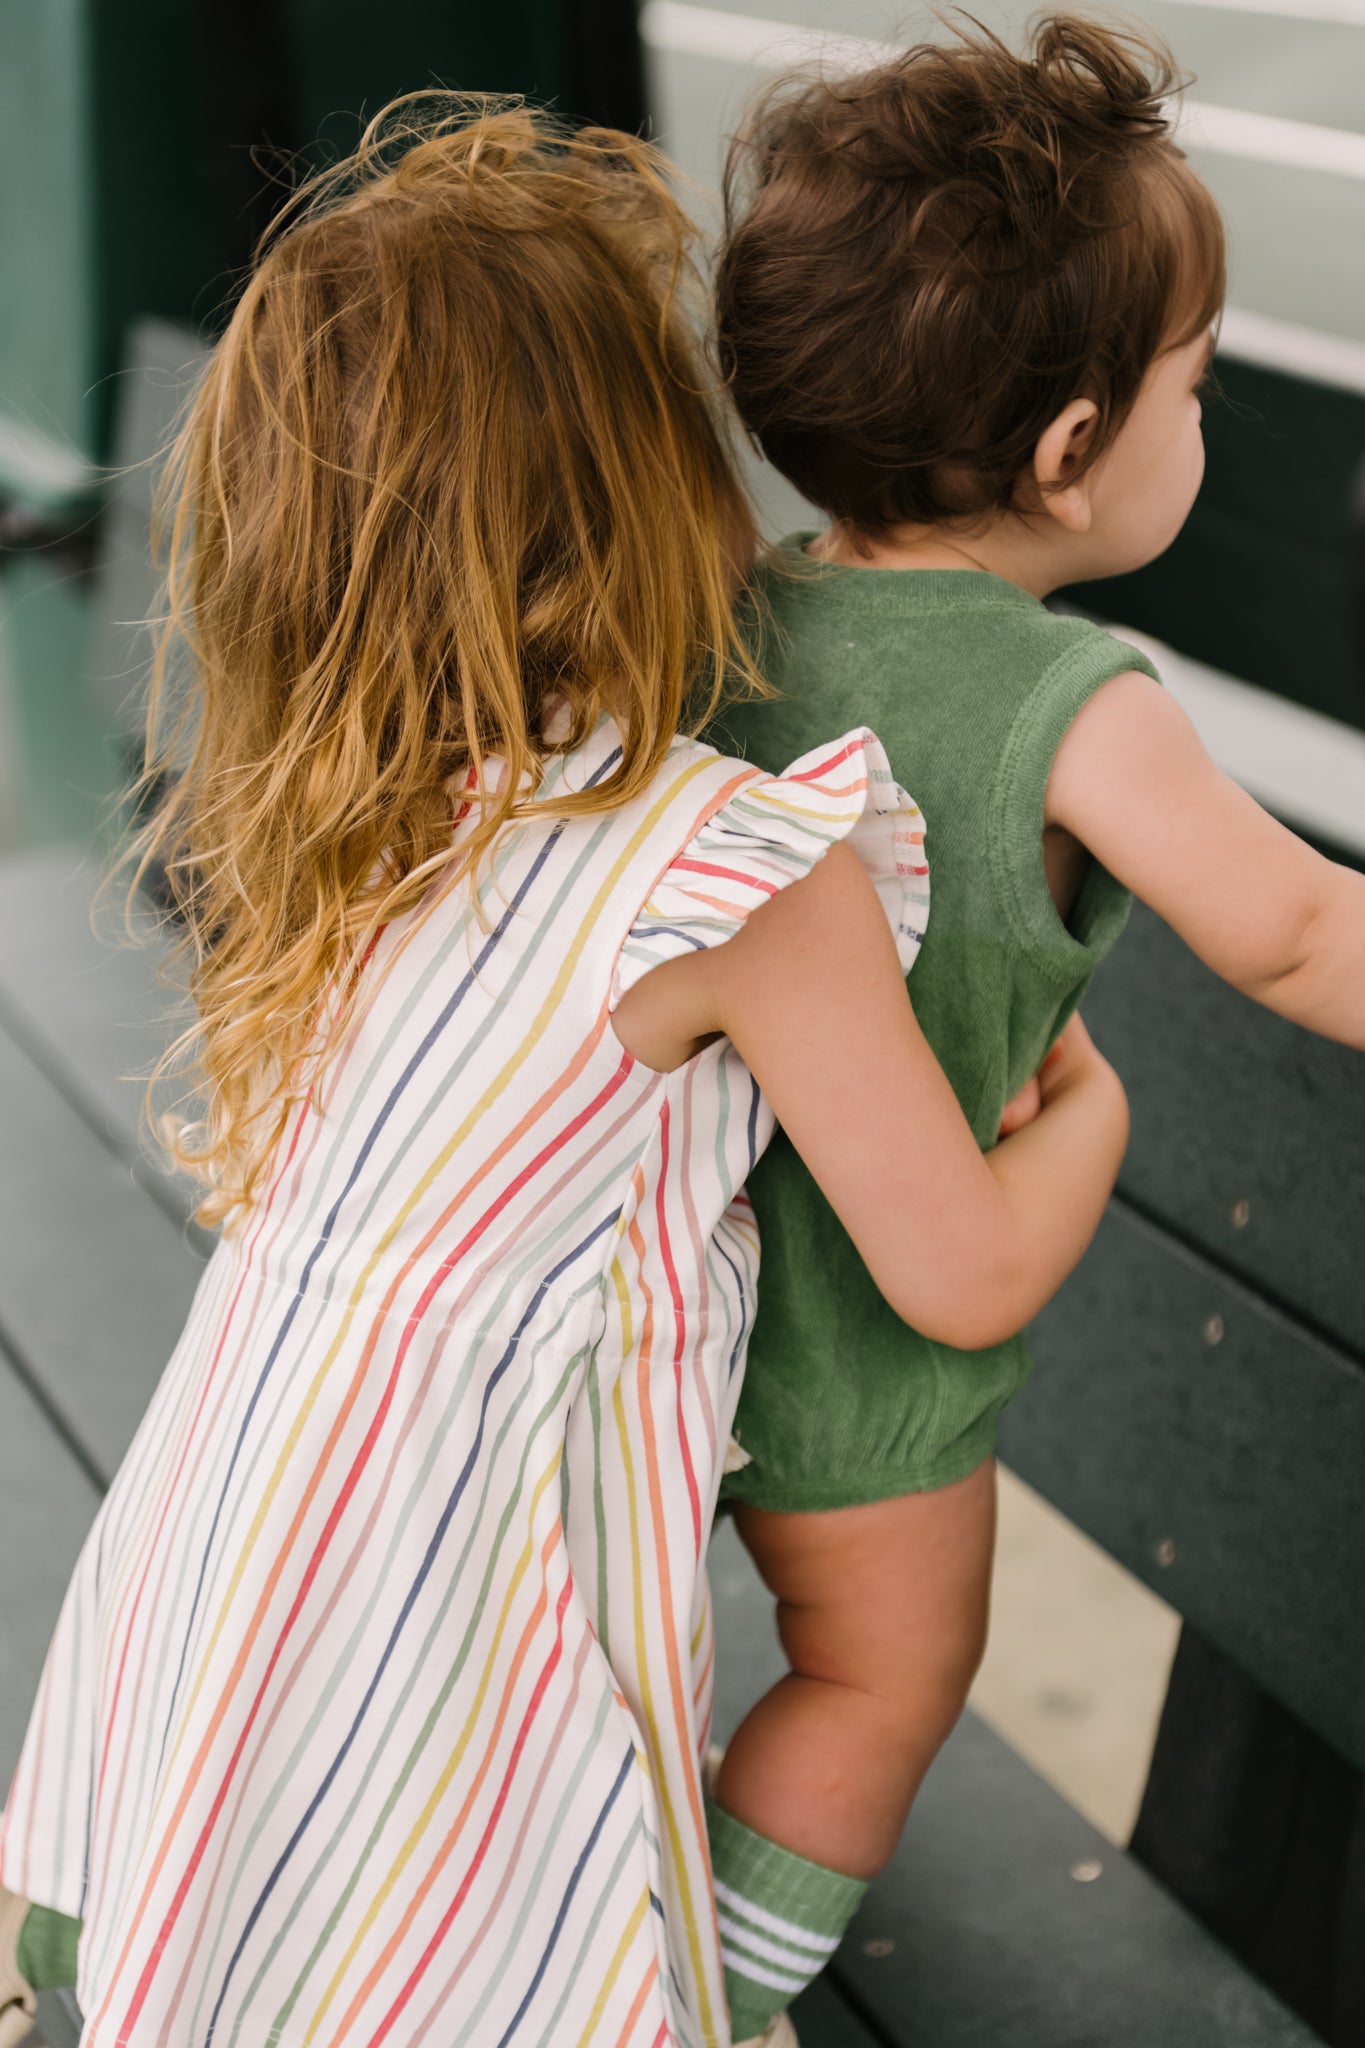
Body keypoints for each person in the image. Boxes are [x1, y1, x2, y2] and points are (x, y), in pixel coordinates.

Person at [0, 95, 1128, 2048]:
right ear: (645, 487)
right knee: (838, 1700)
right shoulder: (720, 868)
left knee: (233, 1892)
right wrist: (1096, 1109)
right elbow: (951, 1267)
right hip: (445, 1608)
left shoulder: (352, 825)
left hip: (210, 1597)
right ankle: (705, 1998)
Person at [704, 16, 1365, 2042]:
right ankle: (700, 1994)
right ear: (1070, 449)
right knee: (874, 1674)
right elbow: (1291, 930)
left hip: (667, 1290)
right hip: (863, 1365)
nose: (1201, 421)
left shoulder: (735, 611)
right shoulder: (1071, 703)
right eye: (1190, 386)